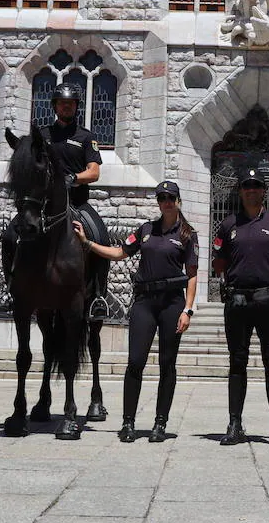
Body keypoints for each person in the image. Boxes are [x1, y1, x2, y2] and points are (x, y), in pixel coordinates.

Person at [75, 181, 199, 443]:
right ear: (158, 202)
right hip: (145, 301)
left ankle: (159, 424)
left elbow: (192, 275)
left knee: (167, 364)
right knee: (135, 362)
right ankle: (128, 422)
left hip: (172, 303)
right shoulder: (145, 230)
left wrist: (188, 309)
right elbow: (120, 252)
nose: (166, 201)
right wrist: (87, 244)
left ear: (178, 201)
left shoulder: (187, 234)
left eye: (171, 197)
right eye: (162, 197)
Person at [2, 83, 109, 315]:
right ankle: (11, 288)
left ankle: (98, 295)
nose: (66, 107)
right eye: (62, 103)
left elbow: (94, 172)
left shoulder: (85, 137)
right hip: (44, 206)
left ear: (76, 107)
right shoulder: (42, 136)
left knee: (101, 234)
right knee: (10, 234)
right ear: (55, 107)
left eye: (70, 104)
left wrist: (72, 178)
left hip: (77, 202)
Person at [212, 168, 269, 448]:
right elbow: (218, 263)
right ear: (240, 191)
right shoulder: (227, 225)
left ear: (264, 191)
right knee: (237, 363)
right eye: (246, 186)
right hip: (237, 303)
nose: (251, 190)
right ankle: (235, 423)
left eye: (256, 186)